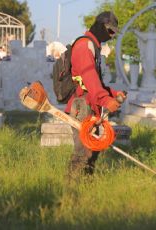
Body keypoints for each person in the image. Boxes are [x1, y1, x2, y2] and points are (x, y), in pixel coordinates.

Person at [64, 11, 126, 177]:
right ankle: (69, 192)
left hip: (90, 103)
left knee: (93, 150)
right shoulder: (85, 46)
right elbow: (89, 78)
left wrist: (113, 93)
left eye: (114, 33)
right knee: (82, 153)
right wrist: (105, 100)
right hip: (81, 106)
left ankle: (86, 186)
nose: (111, 36)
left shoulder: (93, 46)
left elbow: (95, 82)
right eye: (110, 31)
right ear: (100, 26)